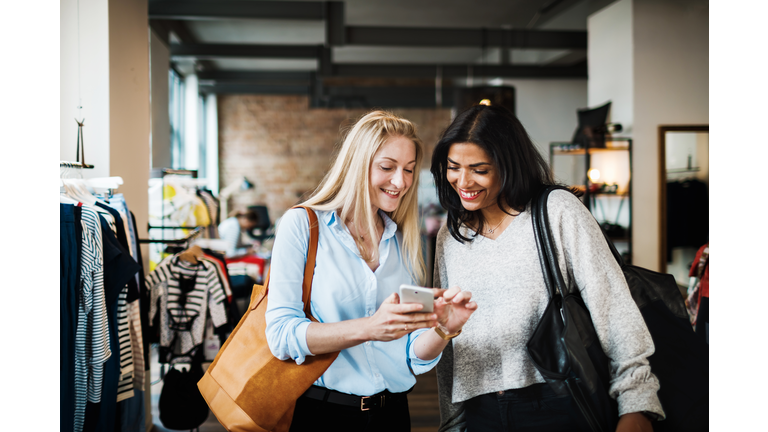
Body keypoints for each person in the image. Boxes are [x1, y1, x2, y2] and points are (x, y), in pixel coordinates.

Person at [430, 104, 665, 432]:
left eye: (479, 169)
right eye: (453, 167)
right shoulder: (452, 234)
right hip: (481, 412)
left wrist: (636, 401)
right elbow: (451, 337)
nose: (463, 181)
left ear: (508, 165)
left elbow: (612, 305)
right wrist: (452, 422)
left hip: (556, 401)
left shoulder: (556, 211)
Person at [265, 110, 478, 432]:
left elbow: (411, 355)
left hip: (391, 414)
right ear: (356, 164)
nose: (400, 182)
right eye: (387, 167)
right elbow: (281, 335)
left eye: (408, 170)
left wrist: (444, 330)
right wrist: (370, 327)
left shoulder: (407, 237)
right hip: (322, 414)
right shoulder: (303, 225)